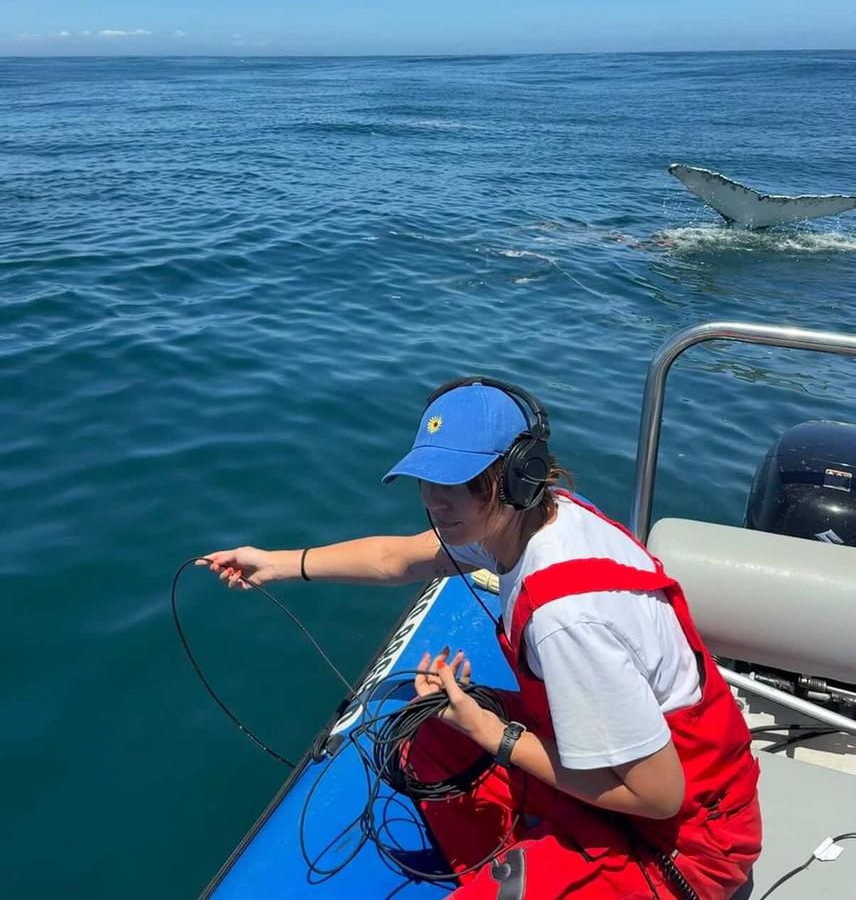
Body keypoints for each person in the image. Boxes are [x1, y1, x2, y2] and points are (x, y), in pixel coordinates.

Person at [199, 377, 761, 898]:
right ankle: (532, 860)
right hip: (626, 782)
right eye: (428, 479)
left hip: (686, 846)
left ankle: (537, 873)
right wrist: (273, 563)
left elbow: (661, 797)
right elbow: (396, 558)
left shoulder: (568, 615)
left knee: (464, 734)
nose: (437, 501)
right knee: (422, 736)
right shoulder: (535, 517)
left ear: (518, 476)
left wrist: (495, 734)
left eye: (462, 483)